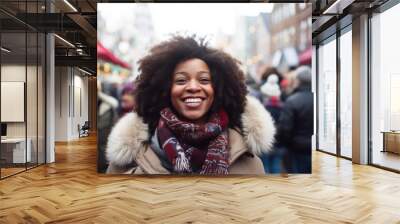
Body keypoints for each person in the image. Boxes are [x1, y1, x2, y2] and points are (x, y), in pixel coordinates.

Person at [105, 36, 275, 175]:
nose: (193, 87)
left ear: (218, 89)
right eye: (181, 80)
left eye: (204, 80)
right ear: (165, 89)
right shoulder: (128, 160)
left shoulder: (249, 163)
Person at [277, 66, 313, 173]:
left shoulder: (292, 101)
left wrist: (285, 145)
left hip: (297, 150)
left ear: (297, 81)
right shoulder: (320, 99)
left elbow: (285, 129)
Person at [259, 74, 285, 173]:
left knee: (265, 167)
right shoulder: (283, 107)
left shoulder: (262, 108)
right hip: (279, 142)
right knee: (276, 166)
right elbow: (285, 126)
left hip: (266, 142)